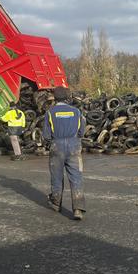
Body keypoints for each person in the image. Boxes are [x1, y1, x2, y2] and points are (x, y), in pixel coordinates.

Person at [42, 86, 86, 220]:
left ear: (54, 98)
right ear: (67, 97)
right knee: (76, 176)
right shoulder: (77, 112)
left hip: (57, 146)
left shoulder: (50, 113)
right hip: (74, 146)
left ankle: (56, 203)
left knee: (57, 176)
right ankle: (78, 208)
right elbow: (82, 130)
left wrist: (51, 141)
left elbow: (46, 135)